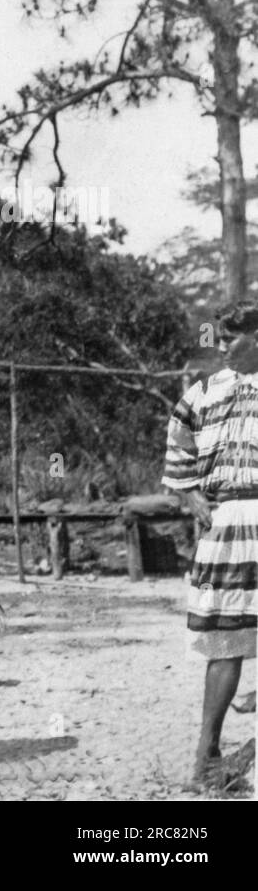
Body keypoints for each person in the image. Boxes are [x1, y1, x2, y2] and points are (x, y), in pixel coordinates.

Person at [162, 300, 258, 787]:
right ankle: (207, 760)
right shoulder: (203, 392)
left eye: (231, 339)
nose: (221, 347)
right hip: (227, 525)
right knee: (227, 639)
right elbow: (177, 447)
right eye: (219, 338)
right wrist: (191, 494)